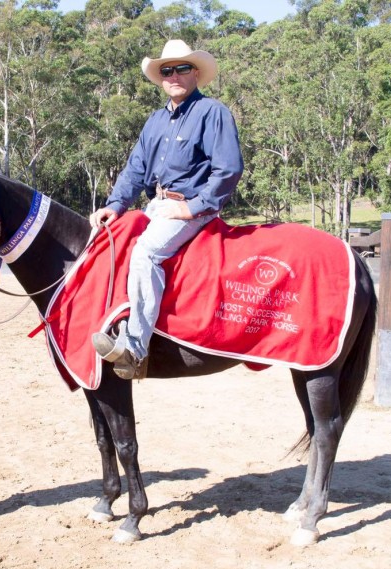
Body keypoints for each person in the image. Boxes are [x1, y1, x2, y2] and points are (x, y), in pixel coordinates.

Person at [90, 39, 244, 379]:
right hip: (155, 204)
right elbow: (134, 169)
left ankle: (134, 349)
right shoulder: (155, 121)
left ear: (196, 73)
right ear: (161, 78)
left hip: (190, 209)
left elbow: (228, 169)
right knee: (111, 242)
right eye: (167, 70)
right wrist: (114, 205)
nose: (174, 75)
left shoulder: (212, 113)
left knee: (146, 253)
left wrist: (193, 208)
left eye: (182, 68)